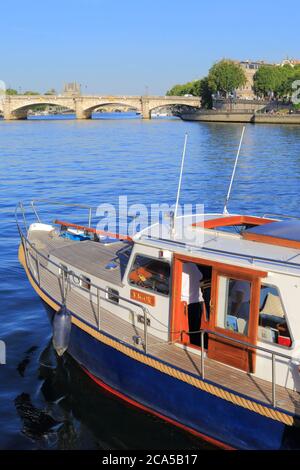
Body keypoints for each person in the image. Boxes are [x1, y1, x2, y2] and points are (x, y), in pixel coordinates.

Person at [181, 262, 203, 346]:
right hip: (197, 301)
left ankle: (188, 344)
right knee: (195, 328)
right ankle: (196, 345)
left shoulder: (180, 266)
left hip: (186, 303)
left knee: (187, 327)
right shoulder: (193, 265)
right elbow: (200, 276)